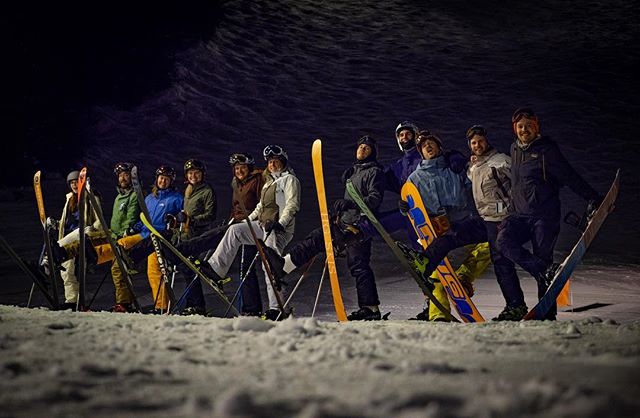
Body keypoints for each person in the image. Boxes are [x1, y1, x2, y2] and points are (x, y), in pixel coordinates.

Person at [264, 136, 385, 320]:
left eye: (366, 148)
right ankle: (285, 265)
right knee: (317, 237)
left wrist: (350, 205)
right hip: (344, 223)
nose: (362, 150)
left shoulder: (374, 172)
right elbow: (348, 203)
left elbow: (375, 199)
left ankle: (371, 309)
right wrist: (337, 212)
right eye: (360, 146)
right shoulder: (353, 173)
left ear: (373, 152)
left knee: (359, 265)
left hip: (360, 226)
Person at [496, 108, 601, 320]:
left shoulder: (547, 151)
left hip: (544, 216)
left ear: (537, 127)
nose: (524, 130)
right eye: (520, 126)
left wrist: (592, 197)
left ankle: (546, 315)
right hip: (519, 216)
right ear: (515, 130)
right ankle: (545, 270)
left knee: (543, 257)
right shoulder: (514, 149)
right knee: (503, 242)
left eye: (529, 125)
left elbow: (570, 176)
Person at [382, 122, 490, 321]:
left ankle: (463, 277)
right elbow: (410, 203)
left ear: (440, 147)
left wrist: (472, 162)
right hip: (436, 227)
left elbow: (477, 182)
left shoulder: (454, 169)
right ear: (420, 152)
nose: (428, 147)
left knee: (490, 246)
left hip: (463, 222)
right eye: (424, 146)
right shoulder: (414, 179)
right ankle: (438, 315)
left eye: (431, 144)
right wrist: (404, 208)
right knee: (437, 272)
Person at [203, 145, 300, 320]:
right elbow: (260, 207)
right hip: (262, 226)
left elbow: (292, 205)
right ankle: (216, 269)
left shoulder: (290, 180)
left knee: (270, 266)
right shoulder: (269, 182)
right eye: (270, 162)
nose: (272, 165)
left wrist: (280, 223)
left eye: (275, 162)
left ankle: (276, 309)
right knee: (235, 231)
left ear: (282, 162)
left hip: (278, 229)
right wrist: (246, 221)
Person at [464, 125, 524, 321]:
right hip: (488, 220)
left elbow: (521, 178)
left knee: (504, 260)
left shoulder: (501, 160)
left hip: (505, 218)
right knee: (500, 263)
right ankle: (514, 305)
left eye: (480, 141)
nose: (477, 145)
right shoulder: (474, 167)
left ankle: (517, 303)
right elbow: (471, 175)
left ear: (487, 141)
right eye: (474, 143)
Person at [173, 159, 217, 316]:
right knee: (186, 269)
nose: (193, 176)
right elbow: (186, 213)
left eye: (196, 173)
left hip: (199, 236)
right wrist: (176, 219)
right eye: (190, 173)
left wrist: (191, 220)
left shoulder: (207, 191)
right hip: (186, 235)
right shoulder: (189, 190)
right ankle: (192, 304)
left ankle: (197, 305)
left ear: (202, 174)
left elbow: (210, 215)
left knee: (191, 268)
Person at [228, 153, 265, 316]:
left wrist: (251, 220)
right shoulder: (236, 184)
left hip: (251, 226)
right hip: (237, 226)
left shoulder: (257, 180)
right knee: (242, 267)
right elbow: (235, 207)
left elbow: (261, 204)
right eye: (236, 168)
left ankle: (252, 309)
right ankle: (248, 307)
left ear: (249, 167)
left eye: (242, 167)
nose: (239, 171)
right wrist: (230, 220)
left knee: (246, 267)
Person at [108, 162, 141, 313]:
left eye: (126, 175)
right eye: (120, 175)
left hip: (125, 237)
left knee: (118, 268)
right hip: (114, 236)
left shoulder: (134, 195)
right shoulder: (118, 197)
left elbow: (131, 217)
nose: (123, 178)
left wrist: (125, 232)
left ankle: (124, 303)